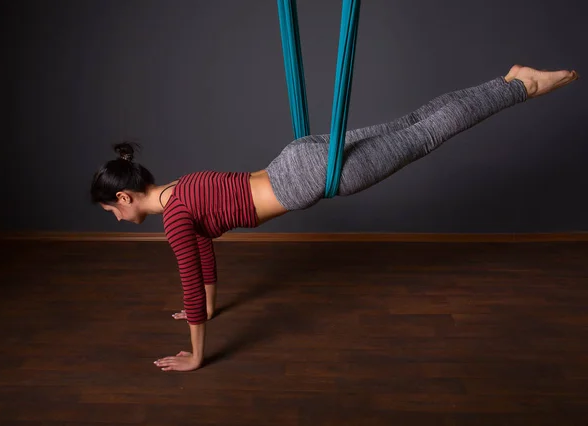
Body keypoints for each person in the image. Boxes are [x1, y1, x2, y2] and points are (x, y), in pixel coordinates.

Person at [90, 65, 578, 372]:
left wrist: (196, 354)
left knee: (424, 136)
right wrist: (212, 309)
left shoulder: (172, 217)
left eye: (112, 209)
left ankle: (519, 88)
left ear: (128, 197)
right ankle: (508, 80)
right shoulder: (181, 189)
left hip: (308, 177)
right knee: (413, 124)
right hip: (295, 157)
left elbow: (190, 282)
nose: (115, 218)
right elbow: (204, 254)